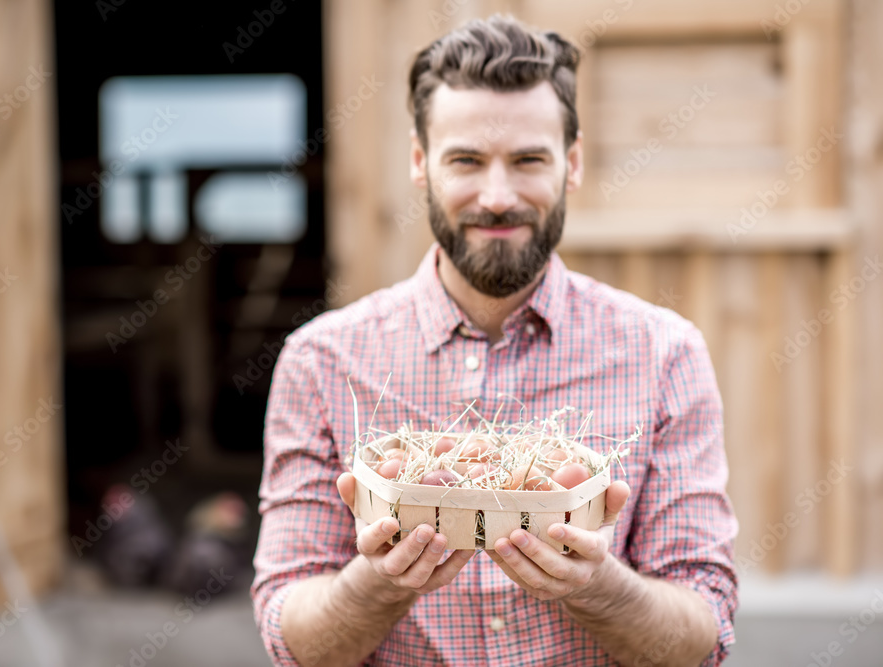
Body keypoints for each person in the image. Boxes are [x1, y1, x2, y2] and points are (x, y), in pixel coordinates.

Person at [252, 14, 738, 666]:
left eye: (529, 159)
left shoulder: (665, 354)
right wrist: (377, 583)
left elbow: (703, 634)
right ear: (422, 163)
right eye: (467, 160)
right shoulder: (322, 361)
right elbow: (291, 640)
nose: (498, 195)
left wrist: (601, 587)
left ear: (573, 161)